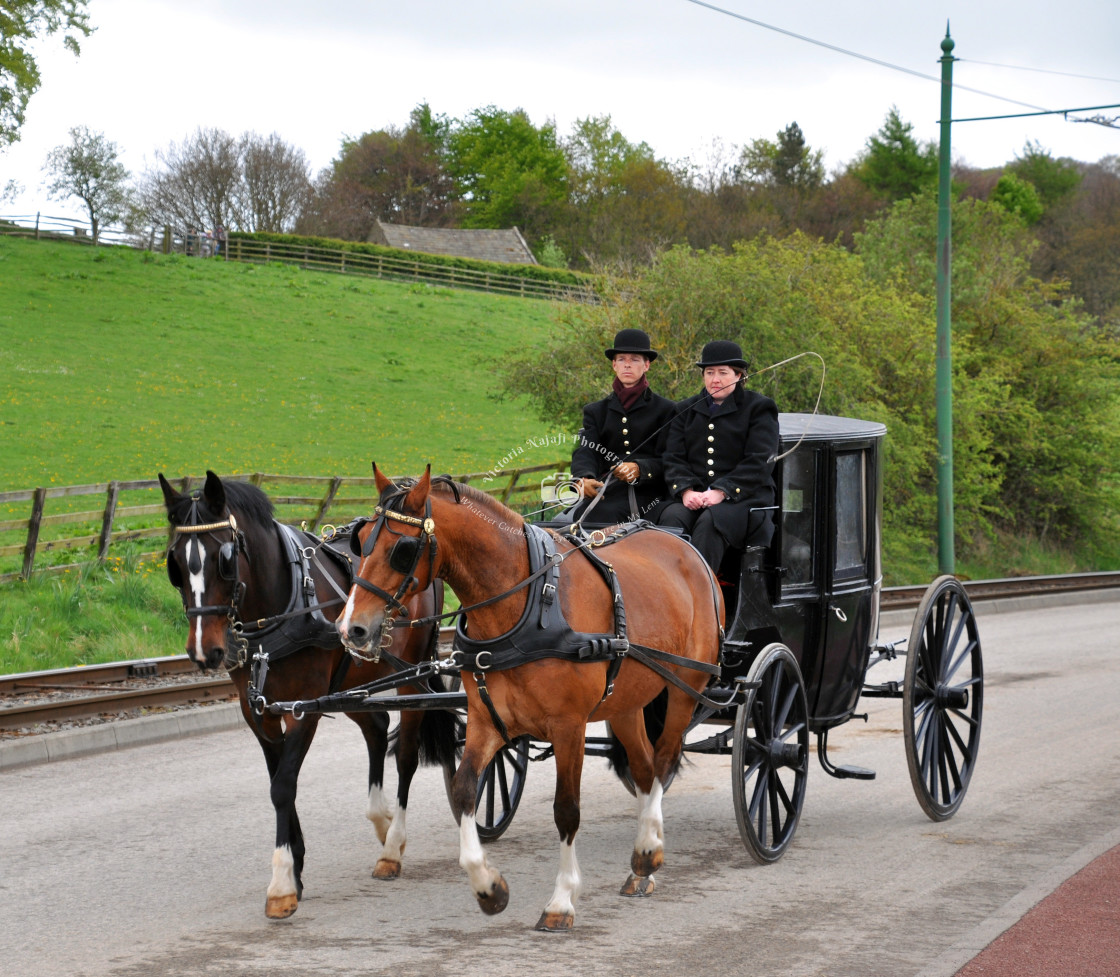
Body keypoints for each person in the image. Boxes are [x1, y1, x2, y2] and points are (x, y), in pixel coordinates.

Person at [659, 339, 779, 572]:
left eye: (723, 373)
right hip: (695, 495)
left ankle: (699, 596)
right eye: (709, 372)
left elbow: (760, 459)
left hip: (745, 499)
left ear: (738, 375)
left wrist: (722, 491)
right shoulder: (684, 409)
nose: (715, 379)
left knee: (711, 522)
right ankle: (664, 593)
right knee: (671, 517)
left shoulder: (759, 408)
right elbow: (673, 457)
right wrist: (685, 490)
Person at [566, 328, 676, 525]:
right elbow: (586, 450)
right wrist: (582, 478)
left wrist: (641, 468)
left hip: (651, 495)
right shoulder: (596, 411)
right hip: (609, 492)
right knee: (585, 517)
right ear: (614, 365)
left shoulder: (667, 409)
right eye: (622, 359)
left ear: (646, 365)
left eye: (634, 359)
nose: (627, 364)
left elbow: (673, 459)